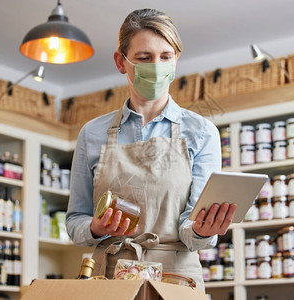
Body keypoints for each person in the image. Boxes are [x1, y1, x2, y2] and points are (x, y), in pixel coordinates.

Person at [65, 8, 237, 290]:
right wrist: (96, 228)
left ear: (176, 60)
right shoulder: (92, 134)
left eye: (166, 57)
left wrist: (200, 230)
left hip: (177, 279)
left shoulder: (202, 132)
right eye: (144, 58)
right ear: (121, 62)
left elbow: (194, 231)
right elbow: (75, 221)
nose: (156, 66)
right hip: (109, 278)